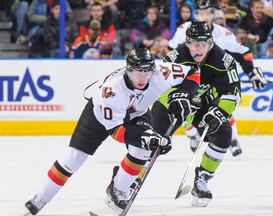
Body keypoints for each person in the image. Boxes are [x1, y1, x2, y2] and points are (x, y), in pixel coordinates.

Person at [24, 47, 197, 215]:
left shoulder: (161, 73)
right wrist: (147, 137)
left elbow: (193, 72)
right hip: (99, 116)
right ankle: (40, 199)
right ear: (128, 71)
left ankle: (117, 190)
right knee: (74, 158)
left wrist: (183, 95)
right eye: (139, 72)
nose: (143, 78)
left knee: (143, 150)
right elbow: (117, 131)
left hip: (137, 112)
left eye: (147, 72)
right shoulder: (111, 92)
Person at [151, 20, 241, 207]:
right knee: (150, 142)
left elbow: (233, 92)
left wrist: (220, 110)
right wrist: (175, 100)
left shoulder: (223, 61)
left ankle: (202, 179)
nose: (198, 48)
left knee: (224, 134)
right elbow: (159, 87)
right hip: (173, 103)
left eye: (203, 44)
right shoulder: (175, 57)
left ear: (210, 44)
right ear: (187, 43)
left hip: (203, 106)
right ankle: (127, 182)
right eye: (194, 43)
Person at [168, 1, 267, 157]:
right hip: (189, 76)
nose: (204, 17)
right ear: (196, 15)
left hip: (213, 79)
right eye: (201, 13)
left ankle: (232, 139)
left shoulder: (223, 33)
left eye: (208, 13)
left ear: (213, 14)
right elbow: (170, 53)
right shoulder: (183, 31)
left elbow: (243, 53)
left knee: (221, 107)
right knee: (185, 108)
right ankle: (192, 134)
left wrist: (252, 72)